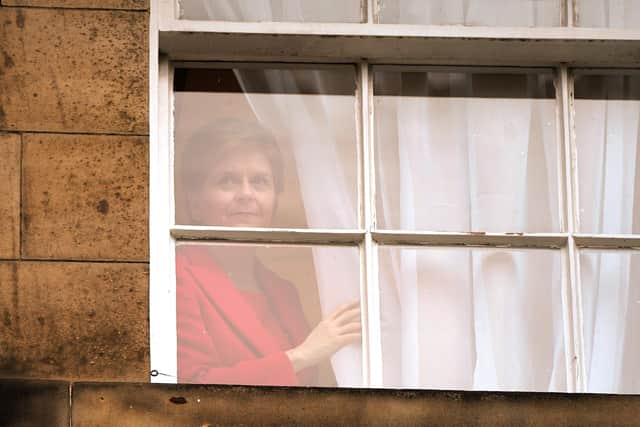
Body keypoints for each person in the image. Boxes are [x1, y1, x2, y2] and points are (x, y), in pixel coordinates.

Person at [176, 119, 361, 386]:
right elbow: (188, 386)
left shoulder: (283, 291)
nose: (246, 194)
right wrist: (302, 356)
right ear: (195, 204)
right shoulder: (178, 274)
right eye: (227, 181)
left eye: (260, 181)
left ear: (274, 200)